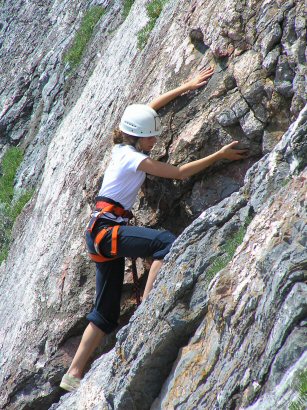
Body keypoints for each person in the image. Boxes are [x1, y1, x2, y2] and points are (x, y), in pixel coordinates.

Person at [60, 67, 247, 391]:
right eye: (151, 136)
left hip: (99, 234)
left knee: (104, 313)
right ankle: (149, 308)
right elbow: (178, 172)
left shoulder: (122, 148)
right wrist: (219, 154)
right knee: (165, 242)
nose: (155, 139)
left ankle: (73, 375)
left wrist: (185, 86)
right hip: (107, 231)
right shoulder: (134, 159)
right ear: (137, 137)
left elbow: (149, 108)